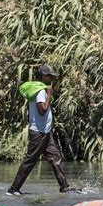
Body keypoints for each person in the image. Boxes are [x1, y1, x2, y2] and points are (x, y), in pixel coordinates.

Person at [8, 65, 78, 195]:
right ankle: (13, 189)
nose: (53, 79)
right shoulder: (40, 91)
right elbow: (42, 110)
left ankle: (64, 187)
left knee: (55, 157)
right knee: (30, 160)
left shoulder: (39, 89)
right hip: (38, 133)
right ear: (44, 77)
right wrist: (49, 95)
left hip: (45, 132)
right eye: (50, 76)